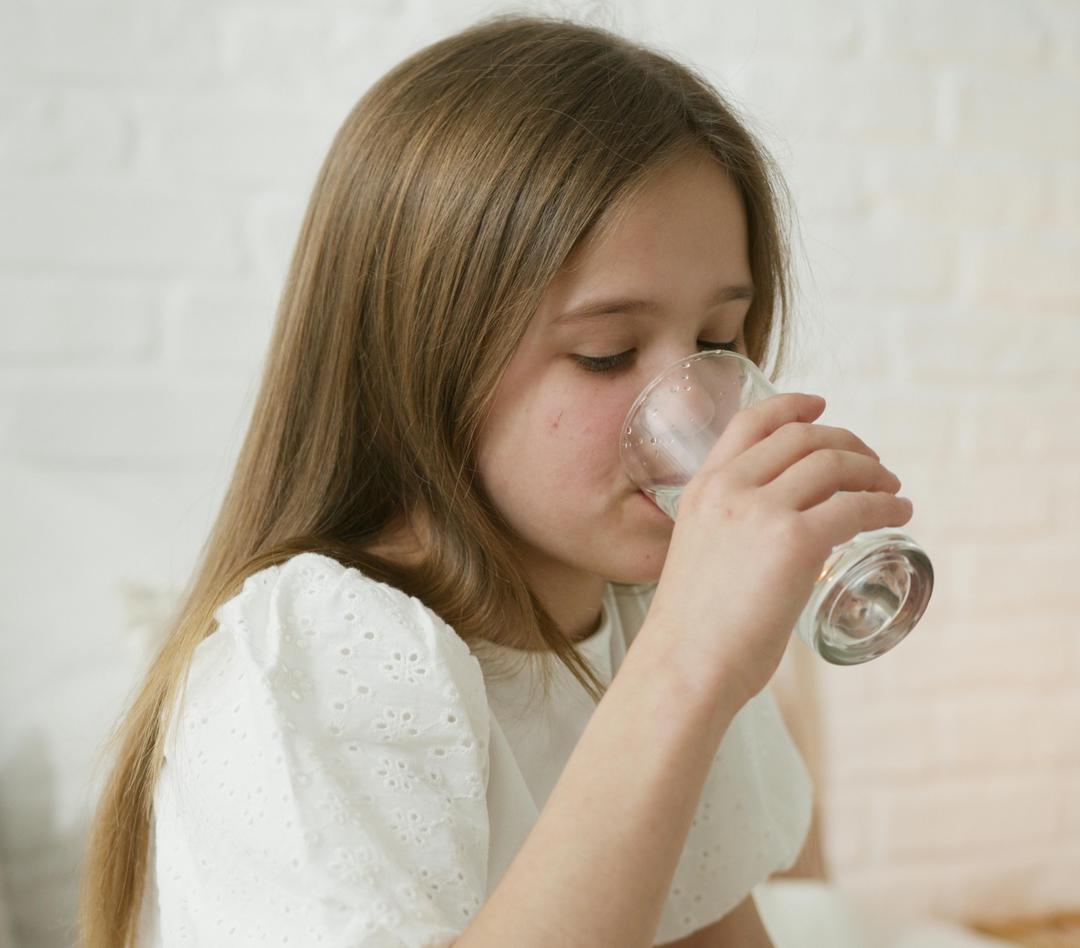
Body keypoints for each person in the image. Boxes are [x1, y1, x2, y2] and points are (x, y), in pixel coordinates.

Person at [77, 12, 911, 948]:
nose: (698, 409)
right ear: (424, 359)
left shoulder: (636, 614)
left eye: (718, 342)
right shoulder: (322, 648)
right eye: (606, 353)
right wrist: (689, 669)